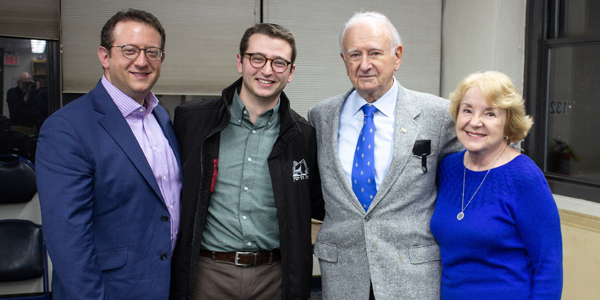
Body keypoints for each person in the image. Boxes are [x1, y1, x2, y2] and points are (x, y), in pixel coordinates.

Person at [308, 11, 462, 300]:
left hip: (413, 276)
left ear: (397, 56)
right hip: (342, 276)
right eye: (354, 55)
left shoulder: (438, 115)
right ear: (344, 60)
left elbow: (465, 182)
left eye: (375, 53)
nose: (364, 65)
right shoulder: (321, 117)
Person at [170, 23, 324, 300]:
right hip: (208, 273)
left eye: (279, 63)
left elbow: (318, 204)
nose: (267, 70)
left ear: (291, 73)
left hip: (274, 278)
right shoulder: (192, 121)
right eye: (257, 58)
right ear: (240, 62)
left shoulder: (304, 136)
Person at [35, 9, 181, 300]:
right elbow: (67, 242)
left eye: (152, 52)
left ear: (162, 58)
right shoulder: (67, 128)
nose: (142, 61)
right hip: (110, 292)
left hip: (165, 285)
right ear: (105, 56)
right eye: (129, 50)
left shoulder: (162, 118)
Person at [430, 71, 563, 299]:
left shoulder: (525, 178)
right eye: (467, 110)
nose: (474, 122)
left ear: (508, 122)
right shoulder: (447, 168)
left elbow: (548, 265)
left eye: (489, 113)